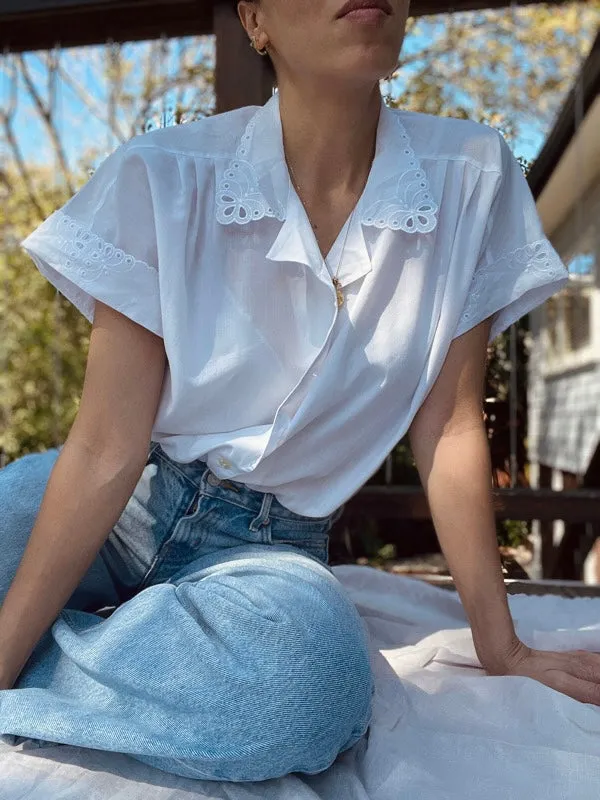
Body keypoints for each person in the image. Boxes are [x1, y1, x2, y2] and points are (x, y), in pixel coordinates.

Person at [0, 0, 596, 785]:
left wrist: (502, 646)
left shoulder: (472, 177)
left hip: (270, 548)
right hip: (132, 501)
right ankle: (104, 648)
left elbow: (449, 428)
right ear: (255, 20)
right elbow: (108, 446)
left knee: (304, 691)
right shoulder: (165, 176)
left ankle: (89, 650)